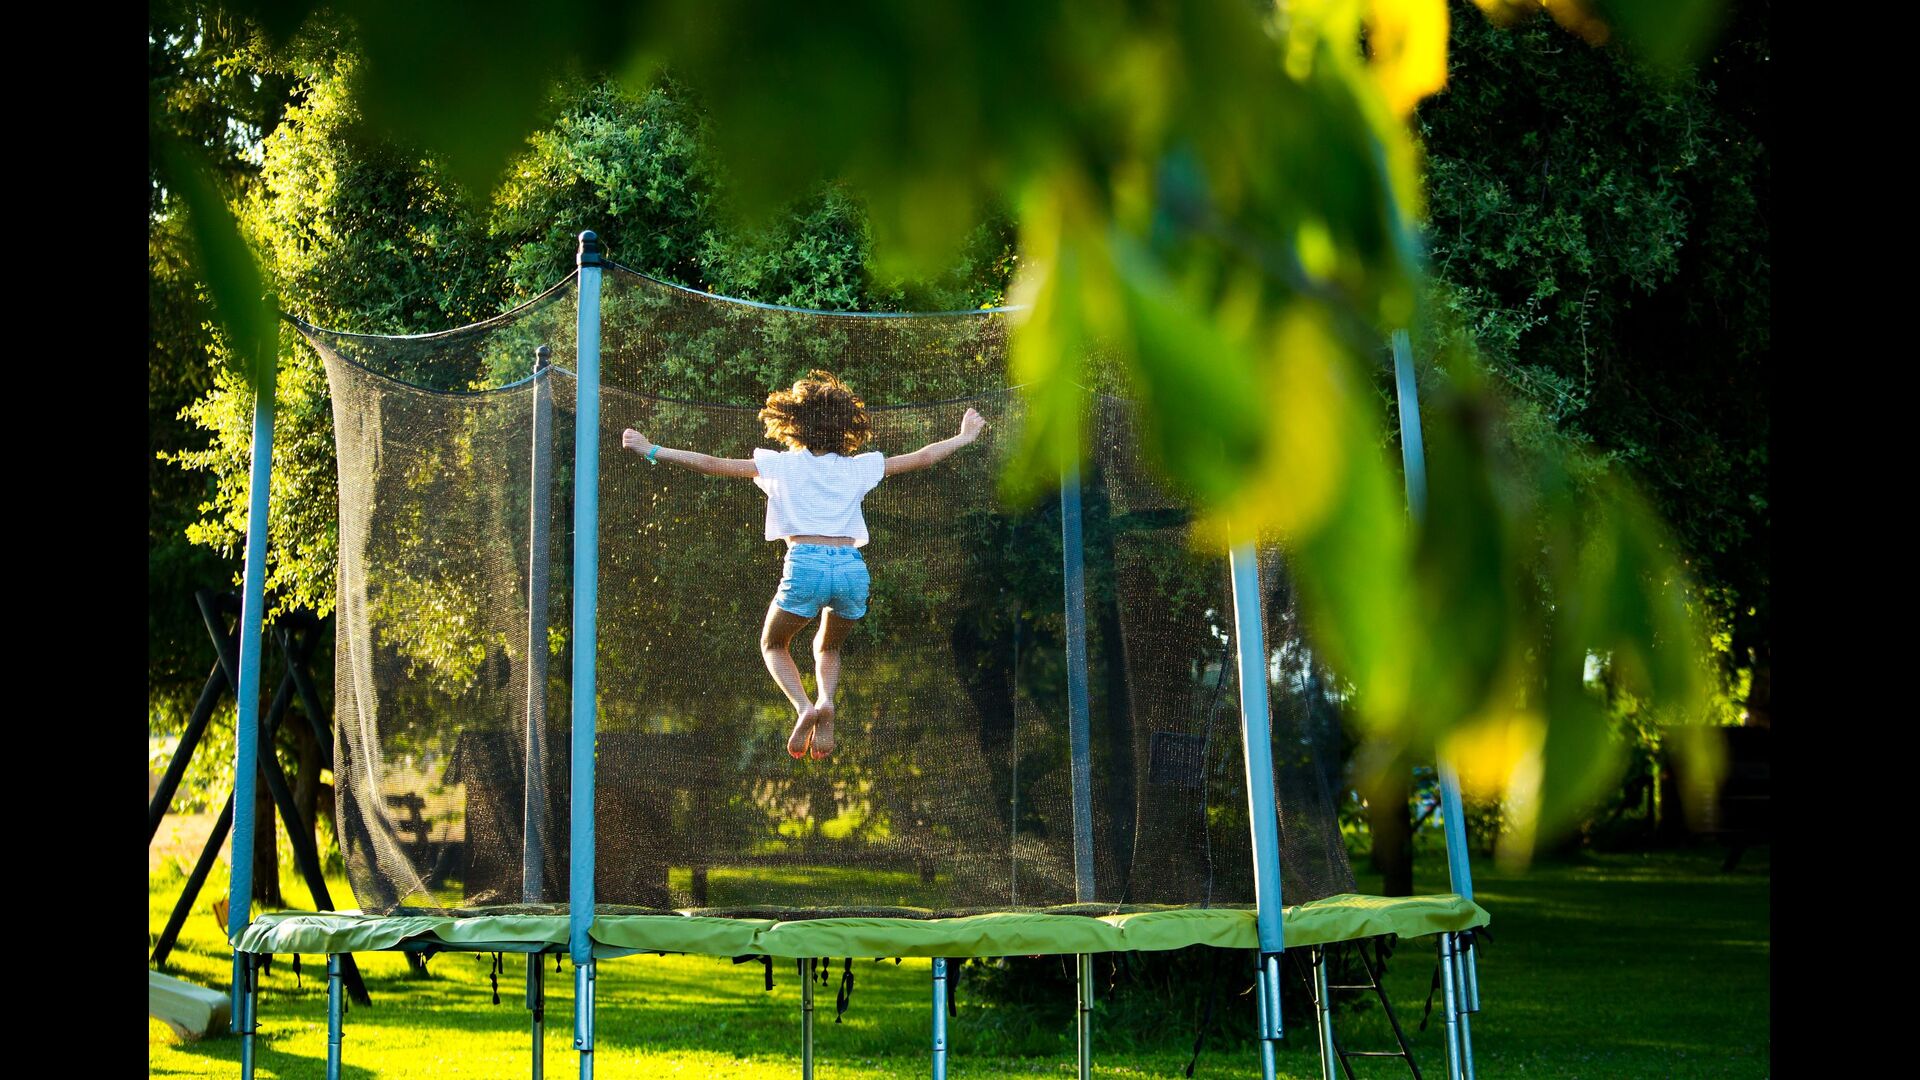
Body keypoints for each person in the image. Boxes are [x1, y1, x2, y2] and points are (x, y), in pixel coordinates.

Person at [621, 370, 985, 759]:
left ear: (792, 424)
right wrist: (963, 437)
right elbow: (924, 458)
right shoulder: (858, 467)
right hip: (851, 568)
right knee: (828, 648)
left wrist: (652, 449)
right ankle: (826, 700)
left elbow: (710, 463)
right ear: (847, 427)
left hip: (806, 564)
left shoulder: (780, 464)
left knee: (774, 644)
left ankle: (804, 707)